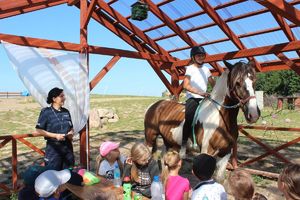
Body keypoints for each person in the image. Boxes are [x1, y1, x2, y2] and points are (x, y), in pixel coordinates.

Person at [181, 46, 215, 157]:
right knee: (189, 117)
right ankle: (183, 143)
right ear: (193, 57)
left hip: (205, 98)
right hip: (193, 98)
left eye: (202, 55)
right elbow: (186, 85)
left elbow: (213, 84)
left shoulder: (206, 69)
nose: (201, 57)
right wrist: (199, 93)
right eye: (198, 55)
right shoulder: (190, 68)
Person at [35, 87, 75, 170]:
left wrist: (71, 133)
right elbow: (39, 130)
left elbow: (71, 127)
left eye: (64, 96)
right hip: (53, 149)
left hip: (67, 148)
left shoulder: (66, 111)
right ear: (54, 99)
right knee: (53, 174)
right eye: (61, 96)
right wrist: (55, 136)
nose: (64, 98)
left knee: (69, 173)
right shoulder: (46, 112)